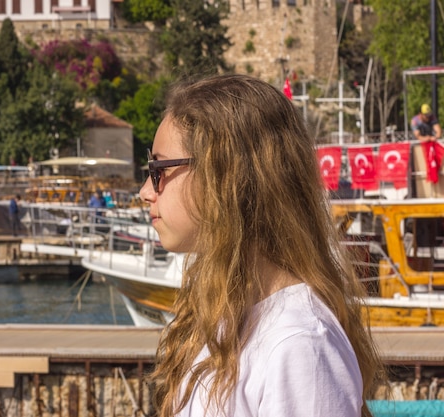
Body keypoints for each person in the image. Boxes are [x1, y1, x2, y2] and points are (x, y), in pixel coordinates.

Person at [139, 74, 383, 417]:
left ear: (225, 176)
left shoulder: (299, 344)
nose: (146, 191)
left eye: (158, 169)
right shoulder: (230, 319)